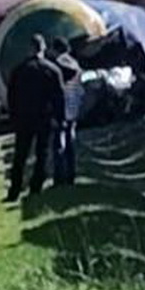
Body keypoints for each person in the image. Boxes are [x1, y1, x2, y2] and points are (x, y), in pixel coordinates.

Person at [4, 34, 64, 202]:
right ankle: (36, 188)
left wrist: (13, 116)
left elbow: (11, 96)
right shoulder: (52, 70)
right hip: (44, 117)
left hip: (23, 118)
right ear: (43, 48)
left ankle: (14, 190)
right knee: (42, 153)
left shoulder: (19, 70)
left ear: (30, 49)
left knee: (20, 155)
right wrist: (59, 118)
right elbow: (59, 97)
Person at [50, 37, 83, 186]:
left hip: (61, 109)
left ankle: (59, 177)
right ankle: (71, 175)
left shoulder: (57, 64)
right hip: (73, 109)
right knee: (70, 142)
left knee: (59, 143)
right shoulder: (75, 63)